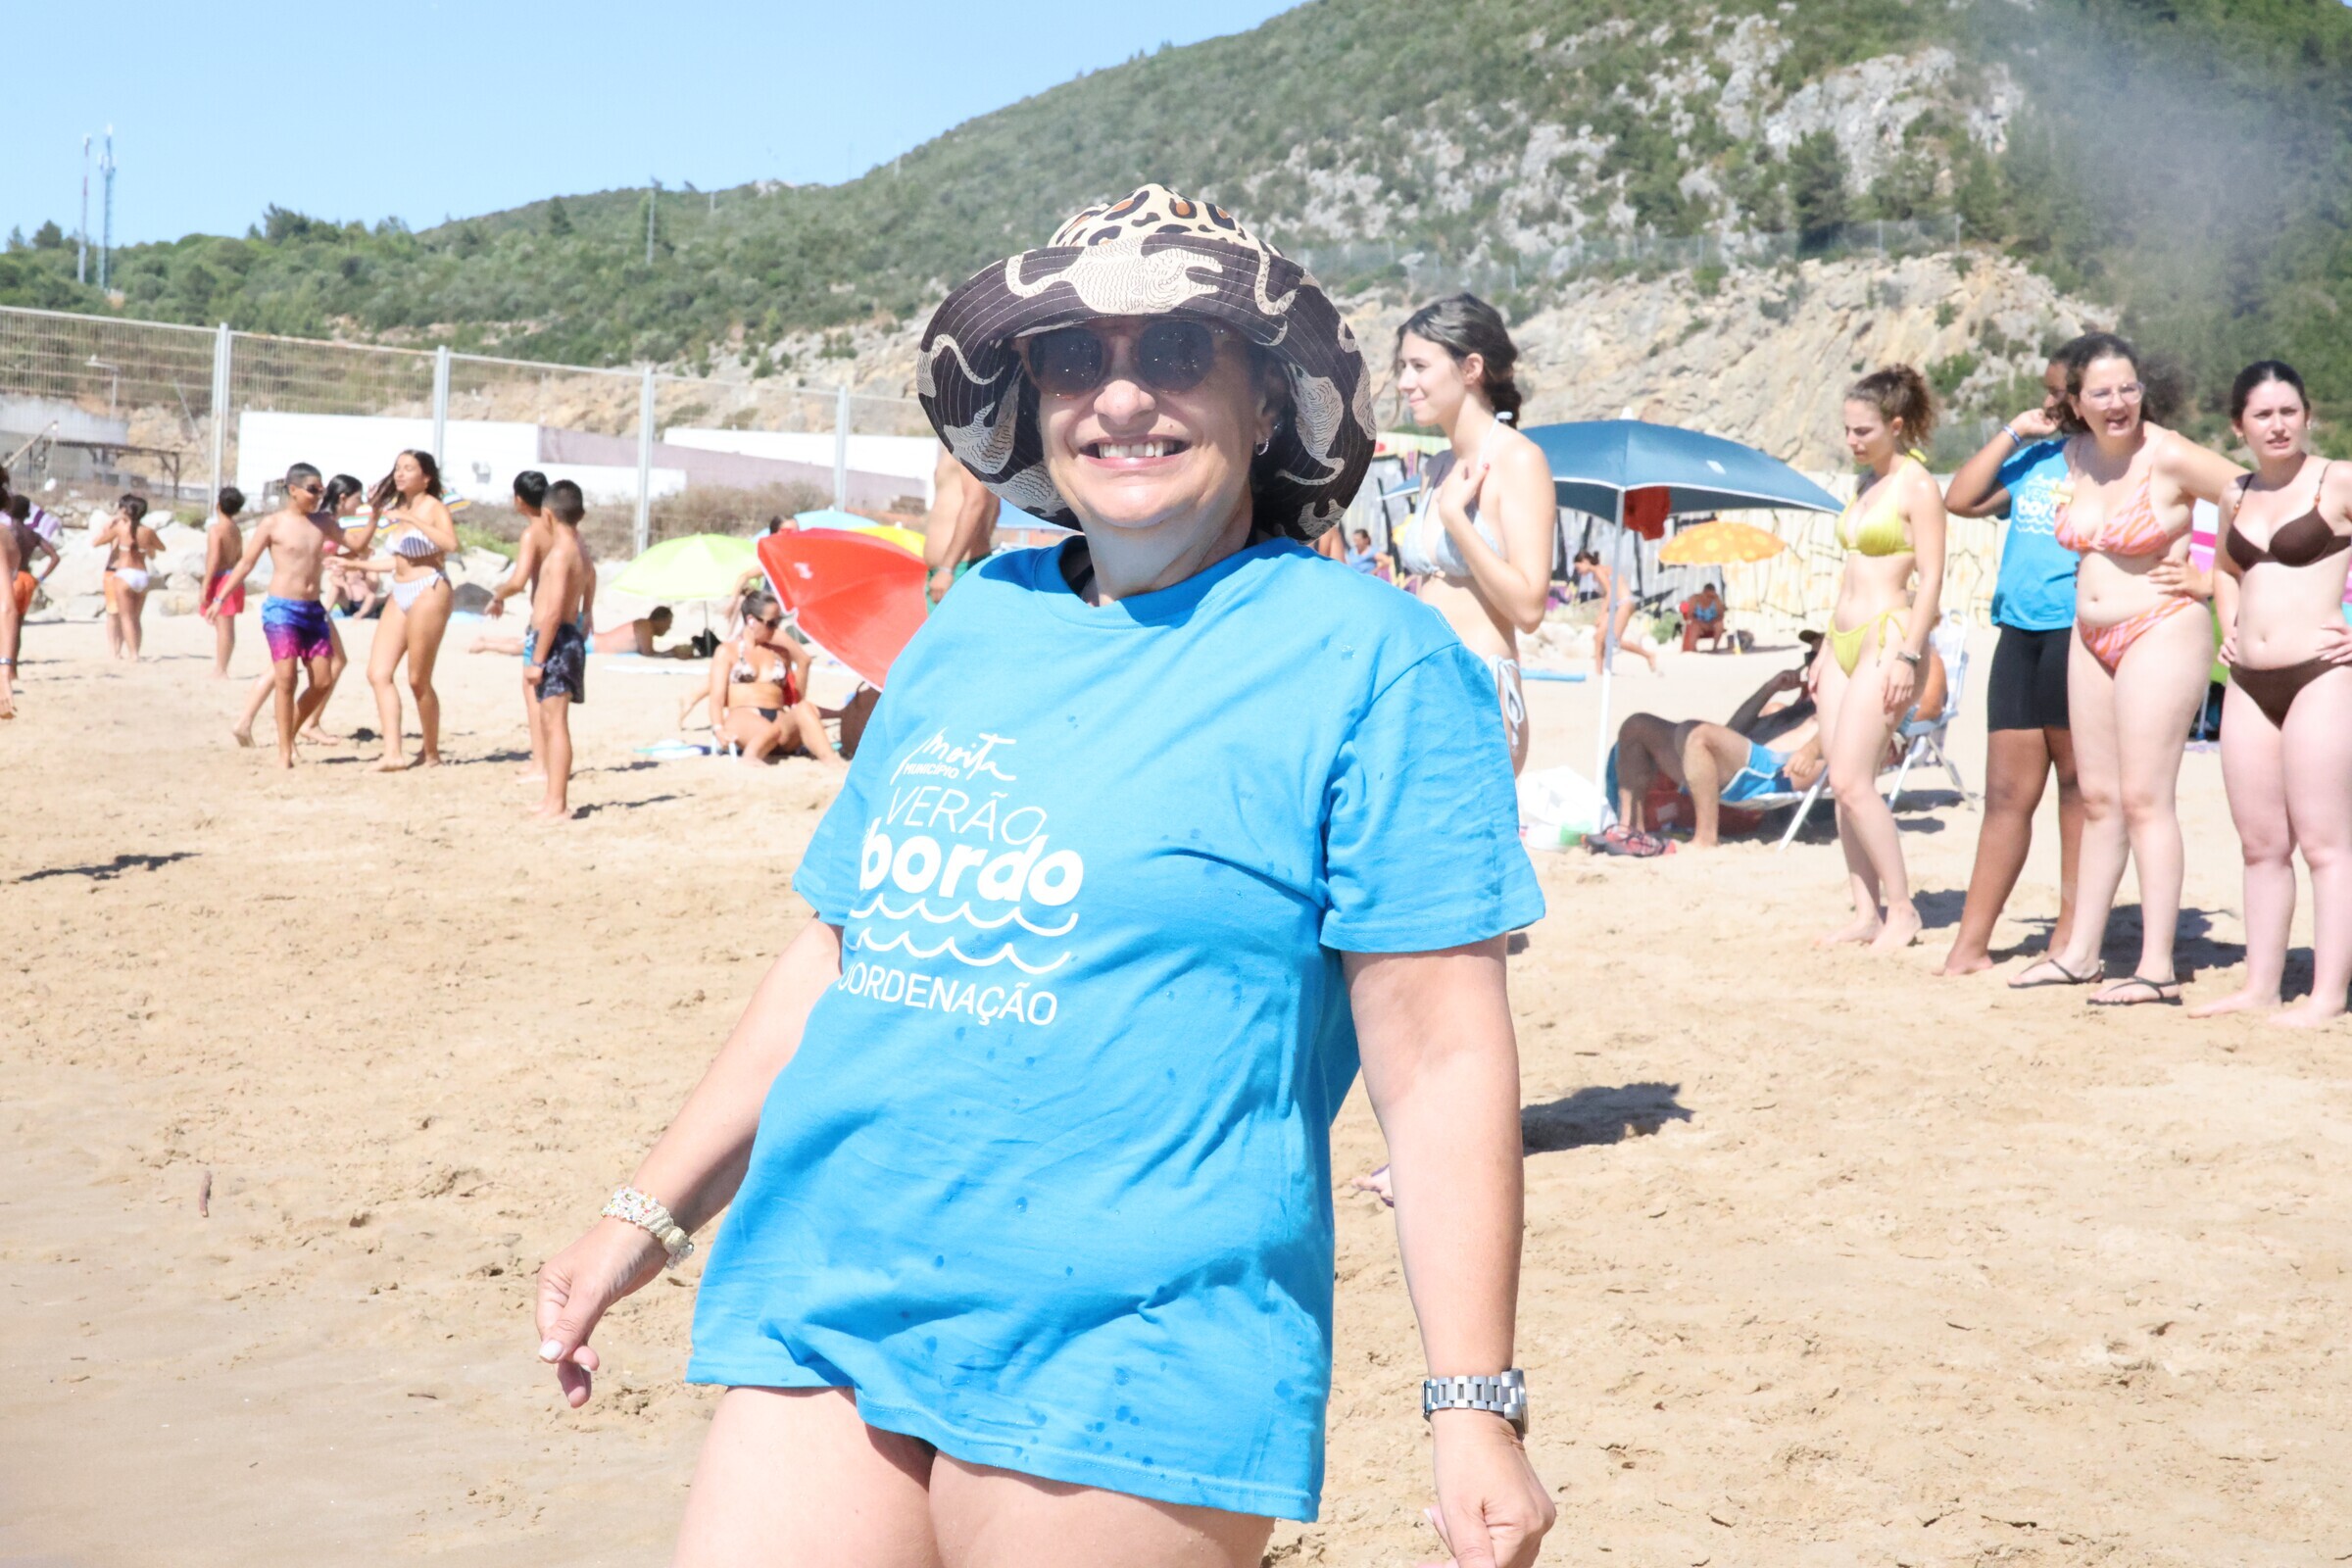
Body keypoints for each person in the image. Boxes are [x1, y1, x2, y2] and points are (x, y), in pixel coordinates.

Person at [533, 185, 1553, 1568]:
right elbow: (841, 957)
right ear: (1031, 399)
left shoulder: (1375, 662)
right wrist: (644, 1217)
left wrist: (1473, 1407)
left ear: (1266, 397)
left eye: (1175, 350)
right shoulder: (975, 627)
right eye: (1076, 356)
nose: (1121, 397)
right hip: (829, 1296)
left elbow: (1438, 1062)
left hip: (1138, 1349)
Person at [2007, 333, 2241, 1004]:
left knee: (2144, 799)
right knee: (2099, 799)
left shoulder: (2168, 454)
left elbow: (2248, 493)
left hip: (2160, 628)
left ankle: (2157, 967)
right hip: (2089, 635)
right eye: (2102, 392)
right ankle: (2081, 953)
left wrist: (2212, 577)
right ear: (2076, 402)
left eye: (2128, 388)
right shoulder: (2073, 455)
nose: (2118, 403)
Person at [2191, 362, 2352, 1024]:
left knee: (2325, 844)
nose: (2278, 425)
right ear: (2239, 426)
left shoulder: (2337, 480)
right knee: (2260, 845)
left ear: (2308, 415)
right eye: (2263, 414)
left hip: (2321, 674)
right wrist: (2230, 627)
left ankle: (2327, 994)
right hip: (2248, 683)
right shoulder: (2236, 493)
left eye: (2289, 411)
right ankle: (2260, 985)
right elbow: (2227, 568)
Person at [1936, 341, 2094, 977]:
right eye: (2046, 389)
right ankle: (1970, 944)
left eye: (2058, 391)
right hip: (2018, 634)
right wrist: (2013, 431)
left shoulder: (2118, 462)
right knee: (2005, 793)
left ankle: (2070, 934)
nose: (2048, 401)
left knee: (2076, 790)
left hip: (2077, 633)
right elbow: (1959, 499)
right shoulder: (2035, 457)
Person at [1391, 294, 1559, 775]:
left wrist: (1456, 520)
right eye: (1403, 367)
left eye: (1419, 366)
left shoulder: (1519, 460)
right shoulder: (1436, 467)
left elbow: (1529, 608)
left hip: (1477, 692)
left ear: (1471, 368)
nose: (1404, 383)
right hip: (1421, 686)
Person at [1811, 366, 1948, 952]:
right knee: (1841, 785)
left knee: (1852, 779)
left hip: (1888, 637)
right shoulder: (1866, 483)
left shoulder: (1916, 485)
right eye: (1847, 430)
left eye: (1863, 430)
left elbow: (1933, 576)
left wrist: (1909, 655)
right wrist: (1824, 647)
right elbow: (1850, 572)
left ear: (1896, 425)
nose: (1852, 441)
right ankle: (1865, 911)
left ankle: (1902, 909)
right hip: (1842, 639)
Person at [210, 464, 340, 768]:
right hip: (282, 608)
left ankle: (289, 733)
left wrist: (374, 515)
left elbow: (357, 543)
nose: (319, 495)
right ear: (293, 489)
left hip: (313, 609)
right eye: (313, 489)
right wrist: (219, 597)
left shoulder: (322, 522)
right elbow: (246, 564)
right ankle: (284, 753)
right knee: (286, 679)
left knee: (323, 681)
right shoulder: (273, 524)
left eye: (322, 490)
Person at [231, 474, 364, 750]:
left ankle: (248, 721)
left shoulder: (322, 520)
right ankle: (308, 722)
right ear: (344, 498)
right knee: (328, 663)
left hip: (310, 603)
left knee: (285, 667)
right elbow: (313, 556)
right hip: (299, 603)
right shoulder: (320, 520)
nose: (359, 505)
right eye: (357, 499)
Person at [357, 450, 459, 770]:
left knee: (417, 679)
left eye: (408, 469)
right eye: (397, 468)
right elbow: (399, 560)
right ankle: (393, 753)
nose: (400, 474)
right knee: (378, 672)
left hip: (429, 589)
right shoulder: (399, 508)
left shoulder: (434, 507)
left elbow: (450, 544)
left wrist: (414, 520)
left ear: (426, 477)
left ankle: (431, 752)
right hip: (399, 590)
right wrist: (354, 564)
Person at [522, 480, 593, 820]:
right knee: (550, 721)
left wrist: (537, 660)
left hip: (557, 642)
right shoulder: (578, 547)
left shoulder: (563, 552)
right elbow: (592, 576)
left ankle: (558, 803)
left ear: (547, 515)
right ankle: (551, 797)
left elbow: (552, 612)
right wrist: (588, 610)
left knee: (556, 723)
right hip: (564, 638)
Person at [705, 592, 839, 766]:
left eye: (778, 622)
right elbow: (716, 697)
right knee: (771, 731)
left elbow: (801, 672)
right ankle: (751, 756)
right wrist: (718, 728)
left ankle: (831, 760)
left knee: (804, 709)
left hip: (778, 717)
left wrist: (790, 646)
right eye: (771, 623)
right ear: (751, 620)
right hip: (744, 714)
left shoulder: (779, 653)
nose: (776, 629)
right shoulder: (727, 651)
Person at [923, 441, 1001, 604]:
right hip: (951, 569)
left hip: (957, 569)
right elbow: (993, 509)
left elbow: (976, 503)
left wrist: (947, 568)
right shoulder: (960, 445)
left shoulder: (969, 444)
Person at [94, 494, 164, 662]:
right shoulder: (148, 531)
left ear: (125, 511)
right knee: (136, 619)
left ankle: (132, 654)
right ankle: (135, 651)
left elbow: (97, 542)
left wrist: (109, 525)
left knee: (125, 617)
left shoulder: (121, 529)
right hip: (142, 574)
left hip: (124, 573)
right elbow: (161, 548)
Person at [1573, 549, 1658, 676]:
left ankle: (1648, 655)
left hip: (1623, 603)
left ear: (1585, 561)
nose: (1578, 571)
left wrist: (1601, 615)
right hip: (1618, 605)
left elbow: (1610, 593)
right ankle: (1599, 672)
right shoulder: (1600, 572)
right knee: (1599, 637)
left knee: (1614, 640)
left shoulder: (1599, 571)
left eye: (1578, 568)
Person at [200, 486, 248, 677]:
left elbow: (213, 559)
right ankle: (222, 667)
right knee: (227, 625)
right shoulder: (236, 530)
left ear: (218, 505)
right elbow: (240, 557)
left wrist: (205, 584)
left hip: (221, 578)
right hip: (234, 577)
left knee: (223, 627)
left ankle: (221, 669)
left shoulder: (217, 530)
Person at [1678, 580, 1728, 652]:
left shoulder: (1716, 599)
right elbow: (1689, 616)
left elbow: (1721, 616)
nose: (1709, 598)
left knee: (1720, 624)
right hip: (1698, 623)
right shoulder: (1695, 599)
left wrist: (1712, 622)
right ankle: (1693, 649)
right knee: (1694, 626)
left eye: (1712, 597)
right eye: (1708, 596)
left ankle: (1715, 647)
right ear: (1703, 593)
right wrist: (1701, 623)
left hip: (1712, 623)